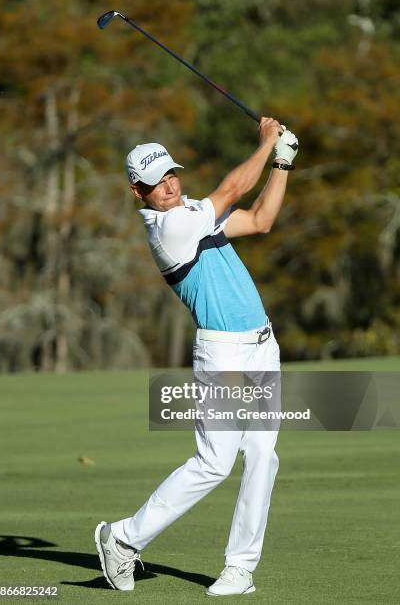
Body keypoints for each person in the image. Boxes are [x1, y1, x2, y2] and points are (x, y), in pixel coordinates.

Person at [94, 117, 298, 596]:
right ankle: (122, 539)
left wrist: (283, 162)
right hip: (224, 352)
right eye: (154, 183)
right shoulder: (171, 228)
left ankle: (239, 568)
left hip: (262, 345)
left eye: (169, 174)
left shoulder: (194, 212)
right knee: (213, 463)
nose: (167, 186)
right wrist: (268, 142)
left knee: (263, 457)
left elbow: (262, 219)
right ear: (136, 192)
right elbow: (232, 188)